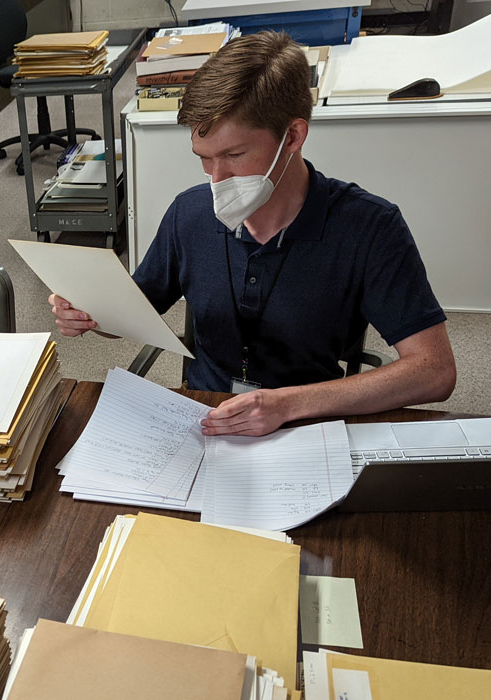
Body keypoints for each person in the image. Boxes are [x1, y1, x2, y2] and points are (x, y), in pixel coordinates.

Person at [50, 31, 456, 437]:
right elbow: (132, 312)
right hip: (205, 416)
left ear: (293, 137)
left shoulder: (369, 227)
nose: (217, 178)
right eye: (204, 159)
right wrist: (89, 314)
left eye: (234, 155)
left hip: (306, 424)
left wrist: (288, 403)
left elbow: (434, 372)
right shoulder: (189, 214)